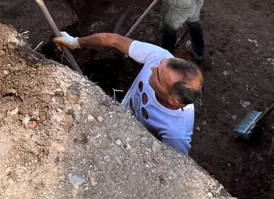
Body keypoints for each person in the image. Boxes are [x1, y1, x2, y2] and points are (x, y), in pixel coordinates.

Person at [53, 31, 202, 154]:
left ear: (173, 100)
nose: (153, 68)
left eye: (158, 76)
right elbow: (114, 40)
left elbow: (173, 165)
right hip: (118, 112)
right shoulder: (160, 56)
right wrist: (75, 42)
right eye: (159, 66)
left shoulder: (176, 133)